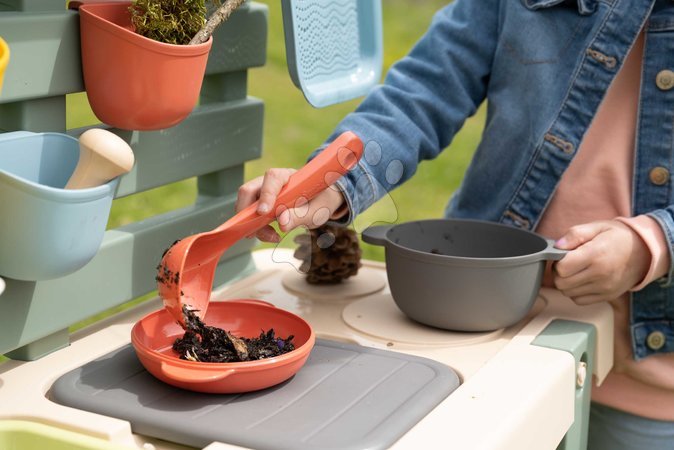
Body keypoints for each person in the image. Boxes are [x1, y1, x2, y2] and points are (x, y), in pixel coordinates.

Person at [235, 1, 674, 448]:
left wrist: (654, 243)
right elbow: (426, 88)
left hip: (647, 388)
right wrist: (331, 181)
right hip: (488, 349)